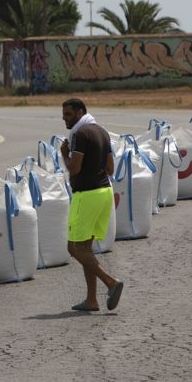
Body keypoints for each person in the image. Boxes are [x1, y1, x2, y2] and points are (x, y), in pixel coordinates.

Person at [59, 98, 124, 312]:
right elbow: (111, 168)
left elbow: (75, 168)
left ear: (80, 112)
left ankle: (111, 283)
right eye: (63, 114)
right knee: (85, 248)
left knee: (74, 247)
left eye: (68, 114)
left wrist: (64, 154)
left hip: (86, 196)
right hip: (104, 192)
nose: (64, 118)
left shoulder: (80, 134)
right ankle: (91, 300)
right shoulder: (102, 132)